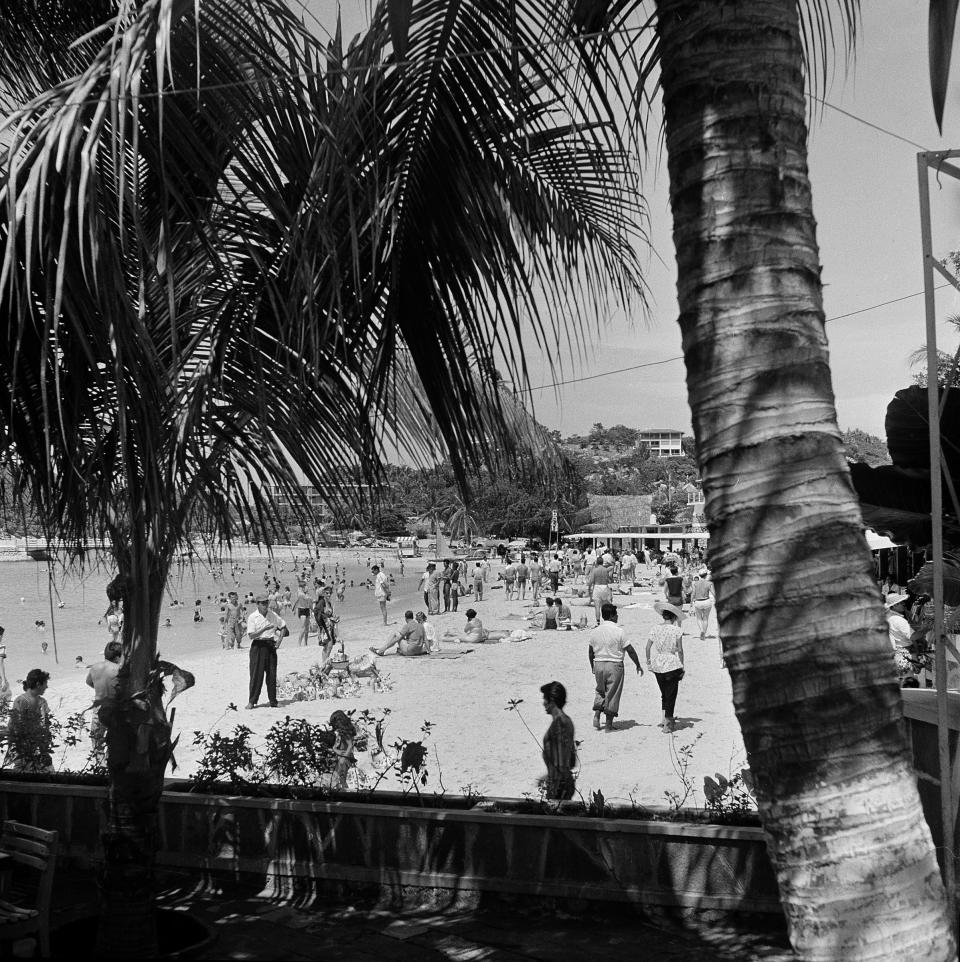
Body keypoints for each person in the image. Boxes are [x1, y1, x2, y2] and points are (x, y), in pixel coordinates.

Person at [588, 603, 642, 732]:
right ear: (612, 616)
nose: (617, 616)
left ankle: (596, 715)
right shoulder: (619, 631)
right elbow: (630, 650)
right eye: (616, 614)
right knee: (613, 693)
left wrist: (592, 666)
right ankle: (608, 725)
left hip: (599, 663)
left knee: (601, 690)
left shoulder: (595, 631)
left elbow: (590, 651)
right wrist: (638, 665)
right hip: (614, 665)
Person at [645, 600, 686, 733]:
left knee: (664, 693)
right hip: (671, 662)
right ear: (674, 617)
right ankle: (668, 722)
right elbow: (680, 650)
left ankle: (663, 719)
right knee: (671, 694)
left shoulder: (655, 628)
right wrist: (682, 665)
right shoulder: (677, 630)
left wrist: (648, 662)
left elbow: (648, 647)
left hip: (658, 662)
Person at [5, 669, 53, 772]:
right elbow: (14, 726)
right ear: (38, 684)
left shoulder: (41, 701)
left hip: (36, 746)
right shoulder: (23, 701)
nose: (47, 687)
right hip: (25, 747)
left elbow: (46, 725)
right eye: (45, 684)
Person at [246, 592, 288, 709]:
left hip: (270, 644)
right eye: (262, 603)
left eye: (266, 602)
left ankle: (273, 701)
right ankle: (252, 701)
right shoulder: (252, 617)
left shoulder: (272, 615)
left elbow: (283, 626)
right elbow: (251, 636)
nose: (265, 605)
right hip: (258, 646)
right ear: (257, 604)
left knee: (271, 675)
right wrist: (264, 628)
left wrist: (279, 641)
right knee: (256, 675)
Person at [539, 681, 577, 800]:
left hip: (558, 786)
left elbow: (561, 764)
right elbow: (571, 761)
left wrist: (554, 788)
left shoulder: (560, 723)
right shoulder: (566, 721)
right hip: (561, 783)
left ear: (551, 700)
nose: (543, 703)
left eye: (545, 699)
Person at [86, 640, 122, 754]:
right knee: (116, 741)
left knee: (97, 743)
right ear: (117, 657)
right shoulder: (119, 670)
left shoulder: (95, 668)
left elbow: (89, 682)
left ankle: (101, 767)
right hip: (115, 710)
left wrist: (99, 688)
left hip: (98, 709)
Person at [586, 557, 612, 625]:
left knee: (597, 607)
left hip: (597, 587)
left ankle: (598, 622)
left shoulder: (595, 570)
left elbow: (591, 581)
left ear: (597, 562)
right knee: (605, 606)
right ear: (602, 562)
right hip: (605, 587)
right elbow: (609, 579)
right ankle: (607, 620)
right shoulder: (606, 570)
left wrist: (589, 586)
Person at [691, 567, 716, 640]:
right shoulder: (709, 583)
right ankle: (704, 633)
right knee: (705, 618)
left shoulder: (695, 583)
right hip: (707, 601)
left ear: (699, 575)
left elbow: (693, 593)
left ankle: (701, 630)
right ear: (706, 575)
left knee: (699, 618)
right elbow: (713, 593)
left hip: (698, 601)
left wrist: (691, 603)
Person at [293, 580, 312, 647]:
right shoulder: (300, 593)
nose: (306, 587)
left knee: (307, 629)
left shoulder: (303, 593)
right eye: (305, 586)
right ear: (302, 586)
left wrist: (312, 610)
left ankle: (306, 643)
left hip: (307, 609)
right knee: (303, 628)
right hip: (302, 610)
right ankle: (299, 643)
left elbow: (309, 602)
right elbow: (308, 599)